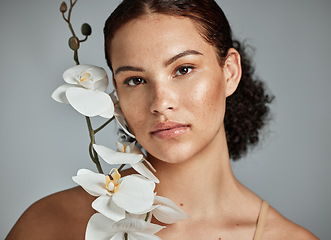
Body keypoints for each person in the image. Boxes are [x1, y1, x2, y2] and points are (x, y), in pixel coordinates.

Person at [6, 0, 318, 239]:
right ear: (115, 92)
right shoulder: (50, 223)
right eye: (135, 80)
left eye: (183, 69)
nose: (160, 103)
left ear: (230, 72)